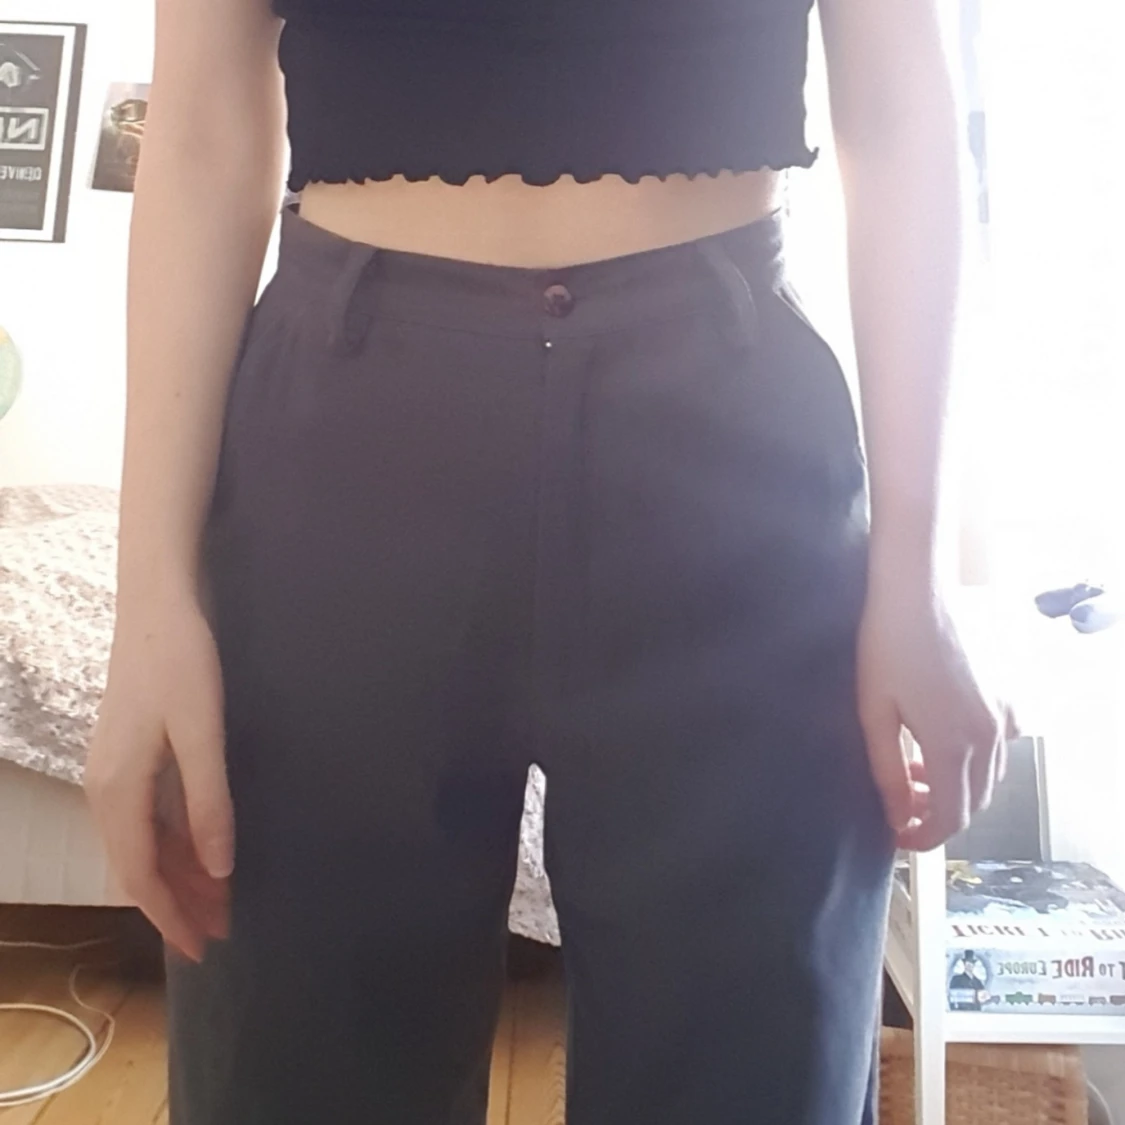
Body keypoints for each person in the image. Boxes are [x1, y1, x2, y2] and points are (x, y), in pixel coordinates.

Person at [84, 0, 1017, 1122]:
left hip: (726, 453)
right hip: (341, 456)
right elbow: (200, 132)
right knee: (294, 1071)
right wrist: (151, 597)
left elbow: (902, 109)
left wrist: (916, 576)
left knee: (756, 1068)